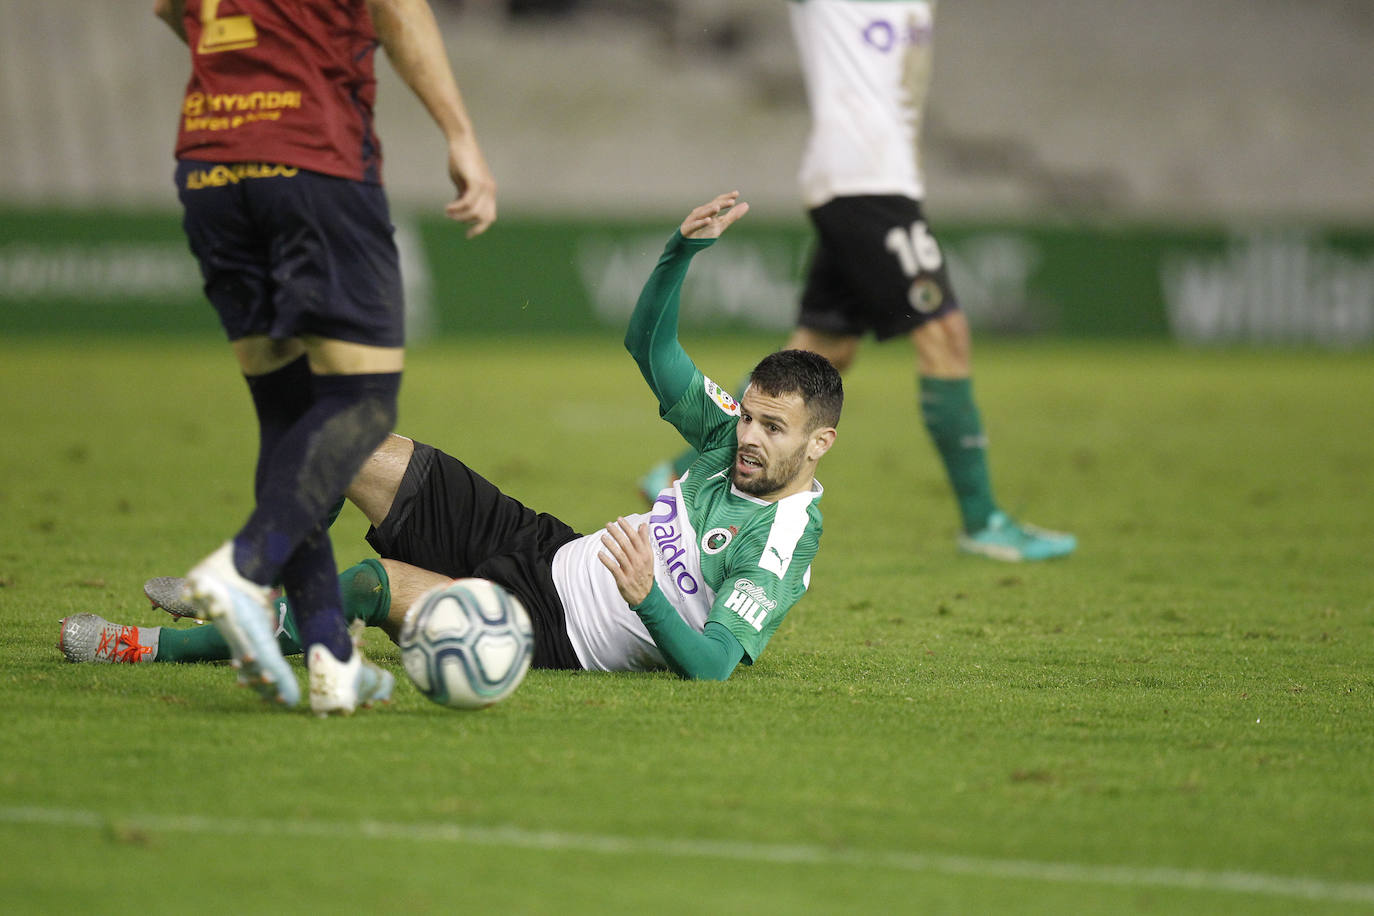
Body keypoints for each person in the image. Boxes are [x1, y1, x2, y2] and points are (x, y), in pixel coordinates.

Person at [60, 193, 844, 682]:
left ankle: (147, 647)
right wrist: (681, 251)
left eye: (773, 428)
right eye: (746, 414)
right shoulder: (726, 437)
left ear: (819, 445)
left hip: (548, 626)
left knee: (372, 585)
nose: (747, 435)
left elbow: (710, 669)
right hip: (539, 544)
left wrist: (647, 598)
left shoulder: (779, 545)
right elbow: (649, 348)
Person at [153, 0, 497, 714]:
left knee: (287, 415)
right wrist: (459, 134)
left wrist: (241, 71)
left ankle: (329, 657)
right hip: (313, 158)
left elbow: (167, 5)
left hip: (212, 165)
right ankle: (245, 570)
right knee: (363, 401)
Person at [640, 0, 1074, 563]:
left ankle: (675, 472)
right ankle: (983, 520)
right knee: (946, 334)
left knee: (824, 352)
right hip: (862, 182)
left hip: (878, 178)